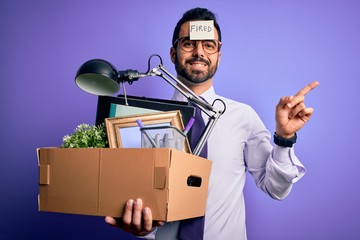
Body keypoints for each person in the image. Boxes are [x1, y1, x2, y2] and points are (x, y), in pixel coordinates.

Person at [105, 7, 319, 240]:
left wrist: (284, 139)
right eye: (189, 44)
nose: (199, 53)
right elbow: (137, 195)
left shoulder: (243, 117)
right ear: (173, 53)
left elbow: (276, 189)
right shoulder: (144, 120)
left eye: (209, 45)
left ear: (218, 54)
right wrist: (144, 229)